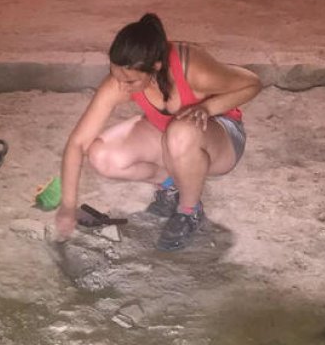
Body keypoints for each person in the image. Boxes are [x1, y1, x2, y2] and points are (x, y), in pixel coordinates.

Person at [55, 13, 261, 251]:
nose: (121, 86)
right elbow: (78, 143)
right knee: (102, 156)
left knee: (180, 132)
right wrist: (68, 206)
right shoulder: (122, 78)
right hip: (171, 138)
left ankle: (189, 211)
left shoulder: (193, 68)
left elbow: (252, 83)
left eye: (130, 81)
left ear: (155, 67)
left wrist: (206, 107)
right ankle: (171, 185)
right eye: (115, 75)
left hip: (221, 139)